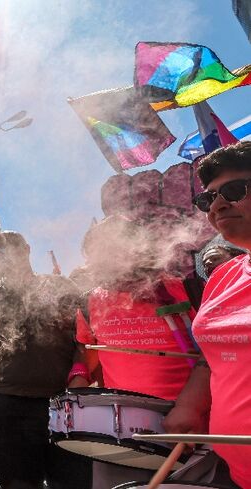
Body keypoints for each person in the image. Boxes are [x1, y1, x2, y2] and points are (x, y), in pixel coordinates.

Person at [70, 216, 205, 488]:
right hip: (122, 434)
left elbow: (215, 357)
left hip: (192, 431)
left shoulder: (187, 290)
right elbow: (86, 348)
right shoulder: (90, 301)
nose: (99, 264)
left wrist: (194, 407)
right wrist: (79, 374)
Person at [165, 141, 251, 487]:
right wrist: (192, 404)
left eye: (233, 189)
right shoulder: (223, 278)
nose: (216, 204)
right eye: (207, 199)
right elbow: (215, 355)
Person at [0, 231, 91, 489]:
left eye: (13, 247)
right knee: (19, 483)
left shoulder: (59, 286)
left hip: (61, 402)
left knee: (69, 481)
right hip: (9, 405)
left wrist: (80, 374)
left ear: (27, 249)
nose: (7, 254)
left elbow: (86, 334)